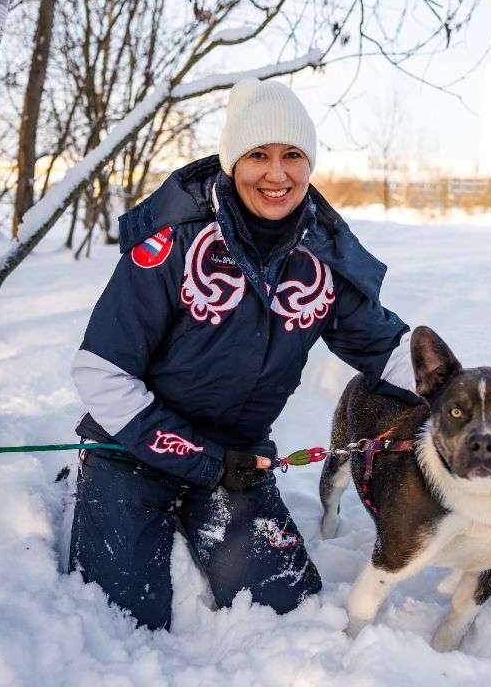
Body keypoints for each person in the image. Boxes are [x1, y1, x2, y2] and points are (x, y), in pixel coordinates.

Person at [70, 77, 419, 630]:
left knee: (288, 610)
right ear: (233, 161)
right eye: (258, 155)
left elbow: (388, 348)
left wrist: (466, 392)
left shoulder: (322, 258)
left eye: (292, 156)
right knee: (122, 620)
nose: (276, 174)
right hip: (133, 446)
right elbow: (101, 370)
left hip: (236, 459)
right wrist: (197, 459)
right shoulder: (175, 241)